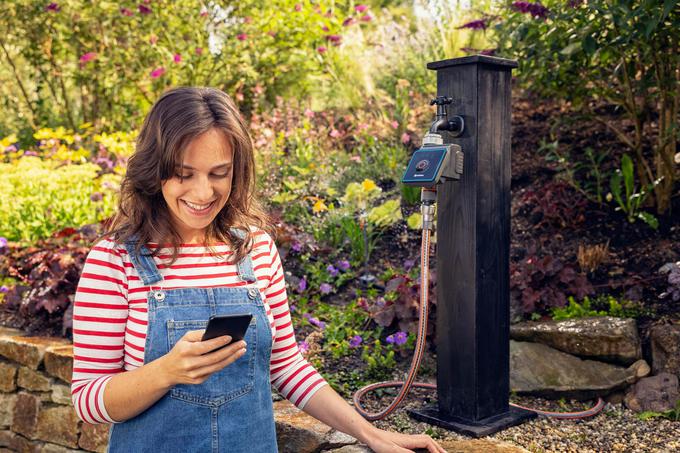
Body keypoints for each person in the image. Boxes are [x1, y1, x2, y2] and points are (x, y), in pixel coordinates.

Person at [71, 87, 446, 453]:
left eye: (219, 173)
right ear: (155, 170)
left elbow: (287, 367)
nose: (203, 193)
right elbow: (88, 401)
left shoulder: (256, 250)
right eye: (184, 174)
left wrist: (373, 436)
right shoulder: (114, 261)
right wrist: (166, 372)